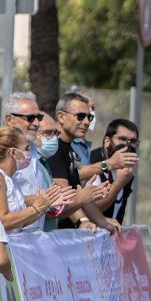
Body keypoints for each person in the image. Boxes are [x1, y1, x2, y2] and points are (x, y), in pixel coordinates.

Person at [0, 127, 70, 232]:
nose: (29, 153)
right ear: (13, 152)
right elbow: (1, 221)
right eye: (27, 148)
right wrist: (37, 207)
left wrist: (45, 205)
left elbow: (19, 223)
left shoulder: (11, 179)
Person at [44, 92, 117, 232]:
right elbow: (66, 196)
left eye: (89, 117)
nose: (86, 122)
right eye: (80, 116)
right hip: (55, 235)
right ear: (61, 116)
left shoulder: (69, 149)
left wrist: (103, 222)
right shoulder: (54, 149)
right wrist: (82, 221)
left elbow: (79, 193)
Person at [90, 118, 138, 224]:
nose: (127, 145)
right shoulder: (93, 165)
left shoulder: (126, 171)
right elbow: (91, 209)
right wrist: (118, 184)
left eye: (133, 141)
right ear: (107, 141)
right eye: (122, 139)